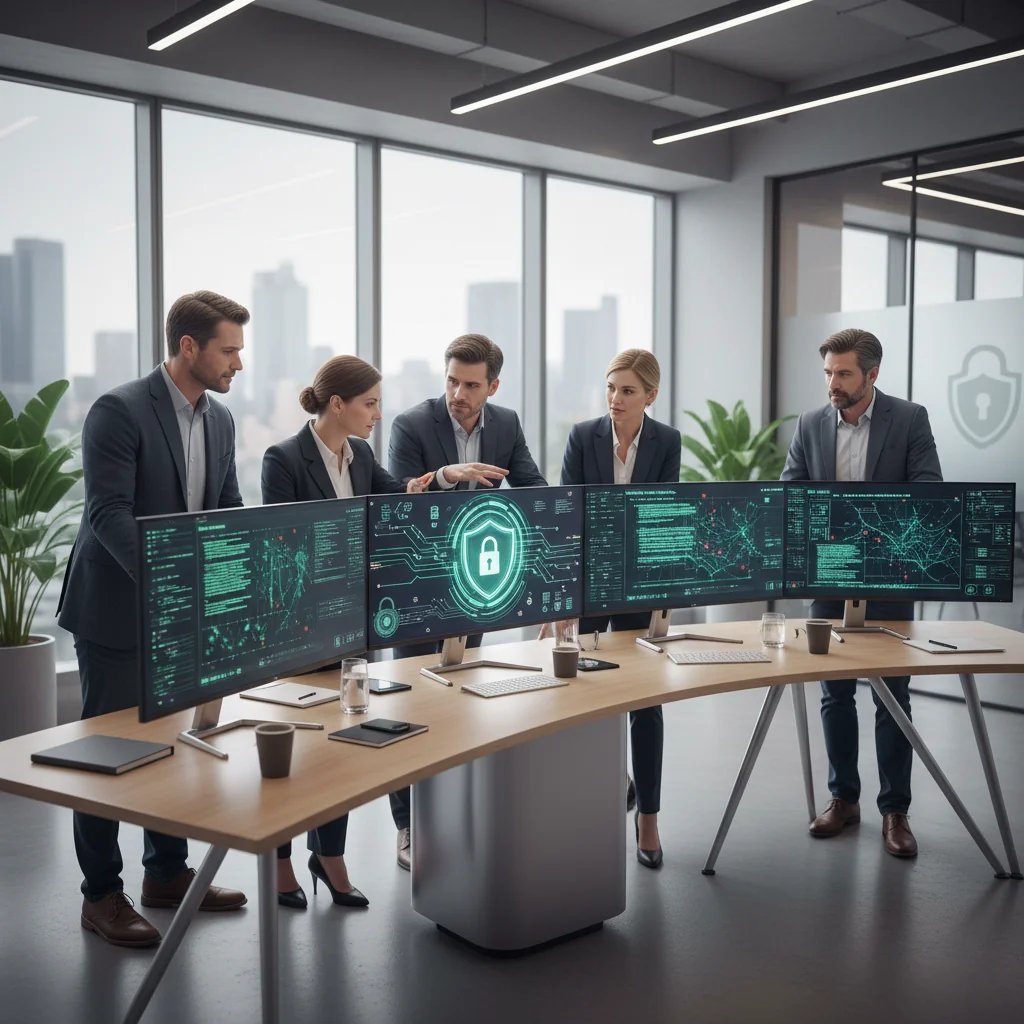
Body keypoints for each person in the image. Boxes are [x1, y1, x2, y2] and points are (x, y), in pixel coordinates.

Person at [57, 291, 251, 948]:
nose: (238, 363)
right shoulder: (118, 410)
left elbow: (225, 507)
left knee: (171, 746)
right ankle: (101, 895)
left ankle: (165, 873)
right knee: (107, 754)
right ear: (188, 348)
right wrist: (174, 585)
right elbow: (107, 515)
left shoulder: (220, 420)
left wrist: (230, 582)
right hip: (116, 609)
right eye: (229, 349)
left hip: (181, 613)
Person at [261, 355, 432, 909]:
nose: (378, 414)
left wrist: (437, 482)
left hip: (350, 625)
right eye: (370, 403)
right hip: (298, 627)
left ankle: (329, 854)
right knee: (292, 748)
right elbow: (284, 545)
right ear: (338, 404)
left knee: (340, 746)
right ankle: (280, 861)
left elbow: (389, 501)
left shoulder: (358, 453)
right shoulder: (282, 458)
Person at [386, 333, 547, 869]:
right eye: (452, 379)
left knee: (458, 698)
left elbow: (528, 485)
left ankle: (450, 816)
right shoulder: (412, 424)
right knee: (408, 707)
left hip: (474, 582)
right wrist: (442, 478)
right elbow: (395, 498)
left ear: (492, 386)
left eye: (471, 384)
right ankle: (407, 828)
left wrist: (556, 516)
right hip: (415, 587)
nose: (458, 391)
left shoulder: (506, 424)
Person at [781, 328, 942, 858]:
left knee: (893, 696)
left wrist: (862, 526)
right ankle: (842, 799)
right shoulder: (809, 424)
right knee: (834, 693)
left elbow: (927, 495)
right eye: (828, 372)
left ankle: (895, 811)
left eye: (844, 373)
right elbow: (791, 495)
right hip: (828, 576)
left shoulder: (910, 419)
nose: (833, 383)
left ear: (872, 375)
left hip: (891, 575)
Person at [556, 349, 681, 869]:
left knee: (645, 700)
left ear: (650, 395)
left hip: (638, 582)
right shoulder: (582, 437)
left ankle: (647, 816)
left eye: (627, 391)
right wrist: (563, 600)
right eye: (610, 388)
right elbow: (566, 514)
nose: (615, 399)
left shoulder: (666, 441)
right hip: (588, 580)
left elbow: (662, 517)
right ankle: (612, 783)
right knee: (582, 688)